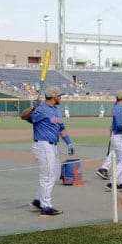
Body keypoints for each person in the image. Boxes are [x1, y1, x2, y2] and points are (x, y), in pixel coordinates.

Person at [20, 86, 74, 216]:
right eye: (59, 95)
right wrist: (33, 108)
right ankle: (46, 206)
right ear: (54, 96)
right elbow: (23, 116)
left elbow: (62, 128)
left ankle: (38, 200)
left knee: (55, 174)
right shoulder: (41, 109)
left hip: (53, 146)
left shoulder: (56, 110)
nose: (61, 97)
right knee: (48, 176)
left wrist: (69, 142)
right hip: (43, 145)